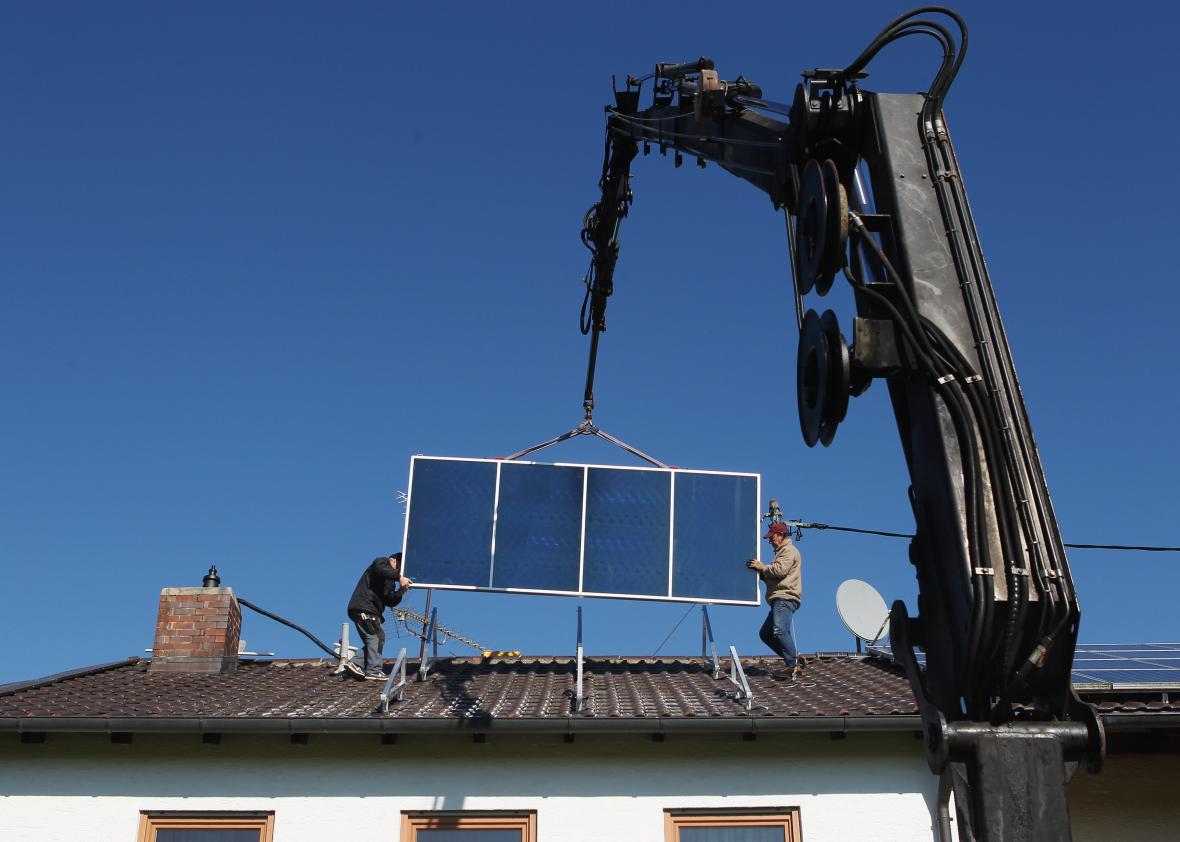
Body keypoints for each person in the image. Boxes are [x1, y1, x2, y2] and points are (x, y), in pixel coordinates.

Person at [747, 522, 804, 680]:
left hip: (784, 597)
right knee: (766, 634)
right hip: (779, 599)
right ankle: (795, 658)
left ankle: (793, 665)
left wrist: (762, 567)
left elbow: (779, 570)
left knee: (779, 631)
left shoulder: (789, 551)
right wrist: (762, 574)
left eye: (772, 537)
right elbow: (777, 576)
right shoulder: (782, 552)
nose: (770, 541)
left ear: (781, 535)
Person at [347, 553, 412, 680]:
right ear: (393, 560)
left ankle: (356, 663)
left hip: (369, 609)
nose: (399, 570)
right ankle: (374, 670)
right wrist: (399, 577)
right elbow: (380, 569)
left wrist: (400, 592)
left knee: (377, 638)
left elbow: (388, 600)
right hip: (366, 606)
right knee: (376, 636)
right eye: (399, 566)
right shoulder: (381, 562)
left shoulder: (390, 581)